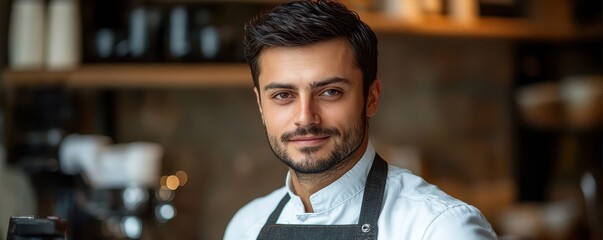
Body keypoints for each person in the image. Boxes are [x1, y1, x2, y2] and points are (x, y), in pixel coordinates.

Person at [225, 0, 498, 239]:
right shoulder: (246, 227)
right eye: (283, 95)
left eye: (330, 92)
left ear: (371, 97)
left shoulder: (440, 229)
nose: (306, 117)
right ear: (261, 104)